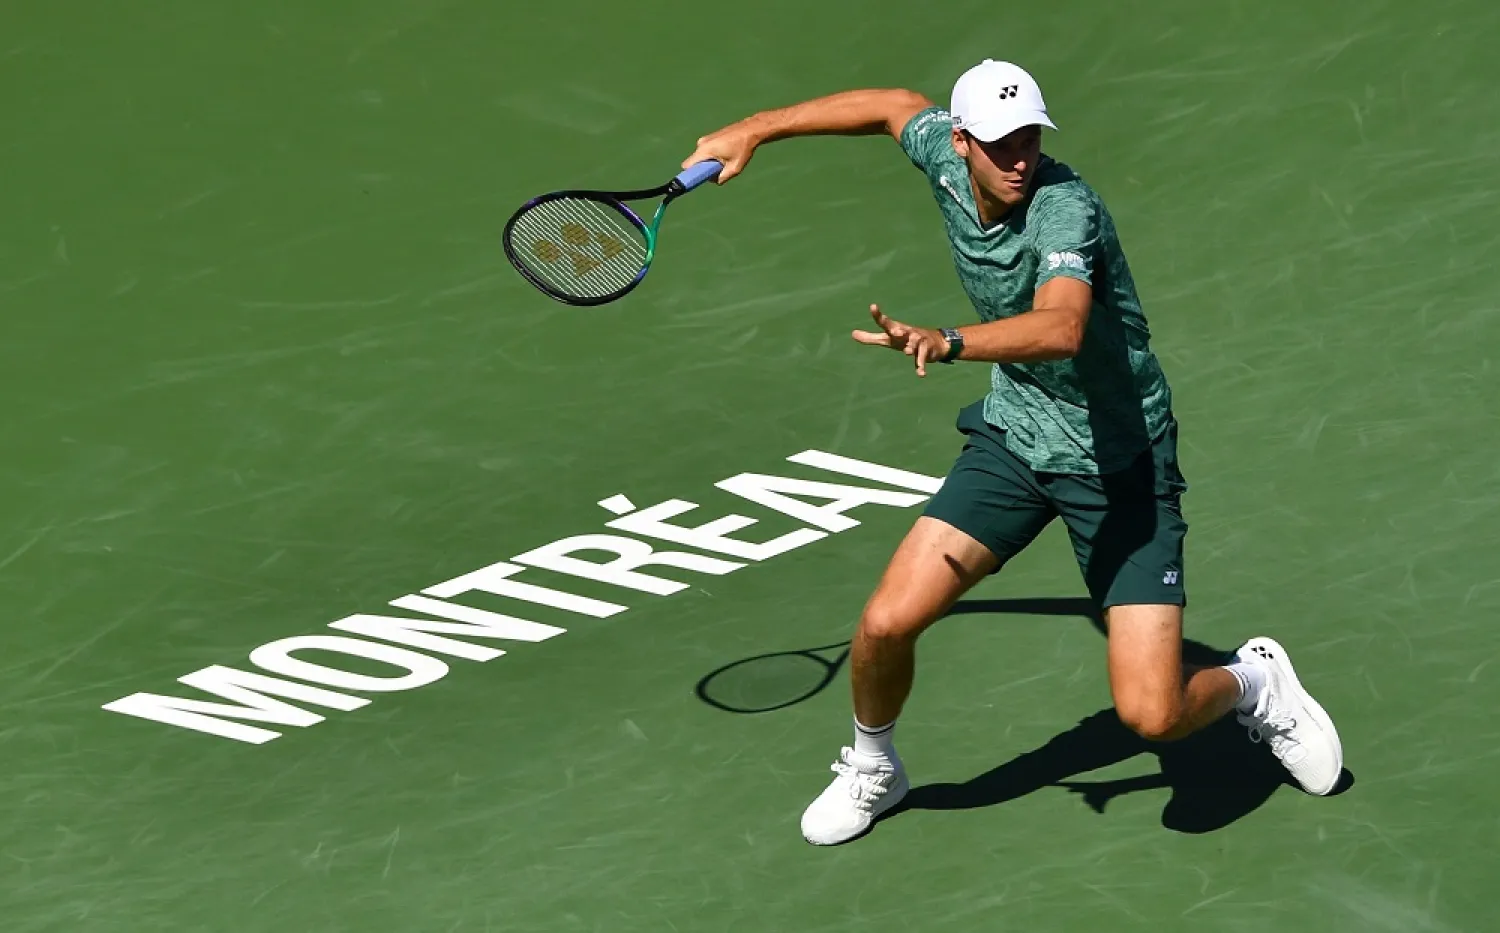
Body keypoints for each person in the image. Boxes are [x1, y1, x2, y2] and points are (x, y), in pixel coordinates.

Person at [682, 60, 1344, 846]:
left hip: (1117, 462)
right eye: (999, 142)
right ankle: (875, 767)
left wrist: (949, 341)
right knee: (886, 622)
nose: (1020, 156)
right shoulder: (943, 155)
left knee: (1152, 713)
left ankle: (1254, 683)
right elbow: (893, 106)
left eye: (1029, 136)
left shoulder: (1066, 211)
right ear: (961, 142)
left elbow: (1062, 326)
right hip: (1017, 440)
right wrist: (755, 127)